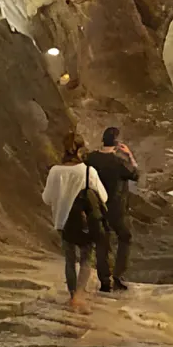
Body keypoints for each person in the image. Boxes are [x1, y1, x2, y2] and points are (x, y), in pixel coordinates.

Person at [42, 132, 109, 309]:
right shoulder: (88, 171)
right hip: (86, 223)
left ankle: (72, 295)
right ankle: (79, 295)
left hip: (63, 223)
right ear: (80, 150)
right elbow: (104, 196)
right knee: (86, 259)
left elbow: (46, 198)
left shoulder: (55, 171)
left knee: (69, 260)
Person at [85, 127, 139, 290]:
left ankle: (104, 281)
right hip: (116, 208)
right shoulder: (118, 162)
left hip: (96, 206)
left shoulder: (91, 158)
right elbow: (135, 174)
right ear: (118, 144)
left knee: (102, 242)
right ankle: (118, 274)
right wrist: (130, 156)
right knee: (125, 237)